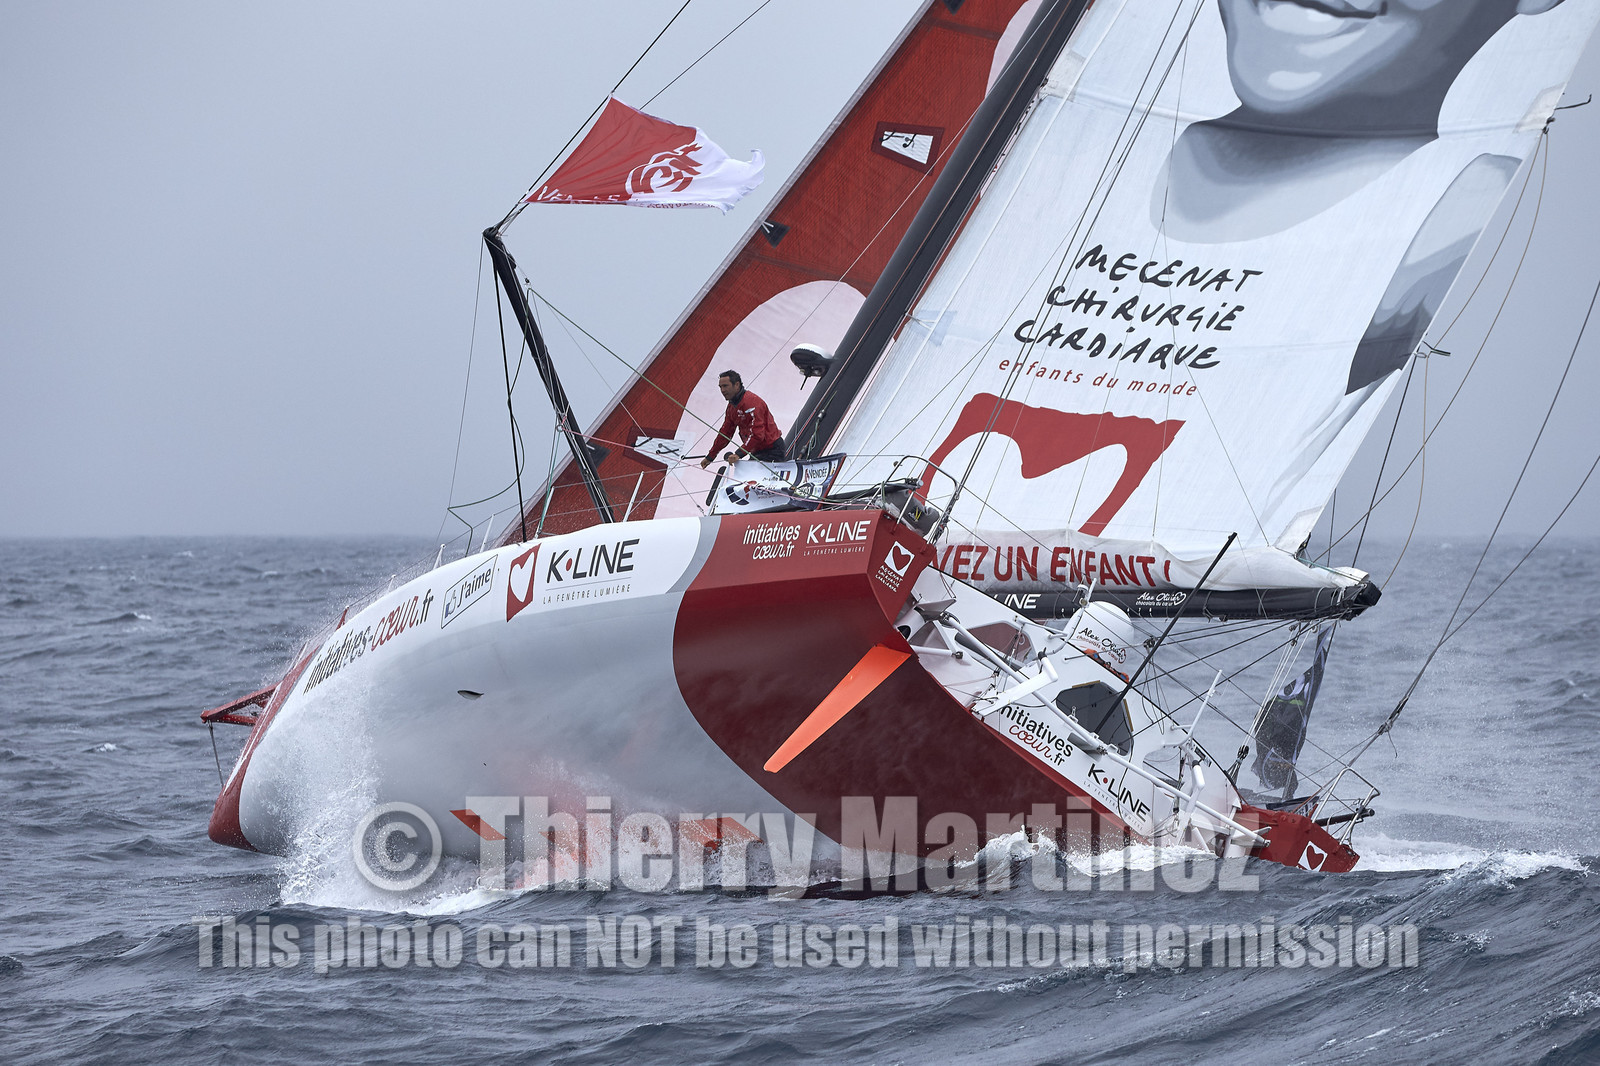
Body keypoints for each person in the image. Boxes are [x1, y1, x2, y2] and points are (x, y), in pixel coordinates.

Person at [698, 370, 786, 468]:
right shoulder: (731, 407)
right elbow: (725, 433)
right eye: (720, 387)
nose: (722, 390)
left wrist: (738, 454)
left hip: (772, 450)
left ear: (736, 385)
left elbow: (757, 435)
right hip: (756, 451)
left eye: (725, 386)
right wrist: (710, 456)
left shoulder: (752, 402)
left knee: (753, 479)